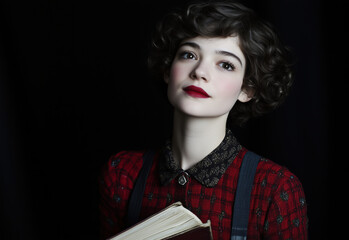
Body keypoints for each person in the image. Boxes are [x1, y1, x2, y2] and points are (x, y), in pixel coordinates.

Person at [99, 0, 308, 239]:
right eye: (189, 54)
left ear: (247, 89)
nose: (199, 71)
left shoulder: (274, 188)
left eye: (226, 65)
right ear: (168, 70)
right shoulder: (122, 174)